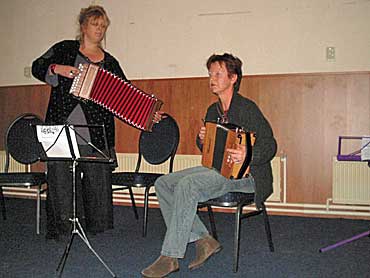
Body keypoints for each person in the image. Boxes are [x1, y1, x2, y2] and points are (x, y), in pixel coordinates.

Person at [141, 53, 277, 277]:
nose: (211, 79)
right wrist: (202, 140)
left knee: (187, 185)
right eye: (210, 74)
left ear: (233, 78)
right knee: (163, 183)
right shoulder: (213, 111)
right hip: (218, 170)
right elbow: (207, 150)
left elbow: (270, 144)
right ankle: (204, 240)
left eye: (218, 74)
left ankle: (170, 256)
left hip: (247, 175)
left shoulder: (247, 108)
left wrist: (247, 153)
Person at [32, 5, 127, 240]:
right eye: (95, 24)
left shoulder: (111, 63)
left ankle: (98, 228)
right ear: (83, 26)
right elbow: (37, 66)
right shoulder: (64, 49)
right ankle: (63, 228)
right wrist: (57, 69)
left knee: (97, 178)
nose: (100, 30)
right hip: (61, 124)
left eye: (103, 26)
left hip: (95, 129)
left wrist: (149, 114)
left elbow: (126, 96)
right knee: (60, 177)